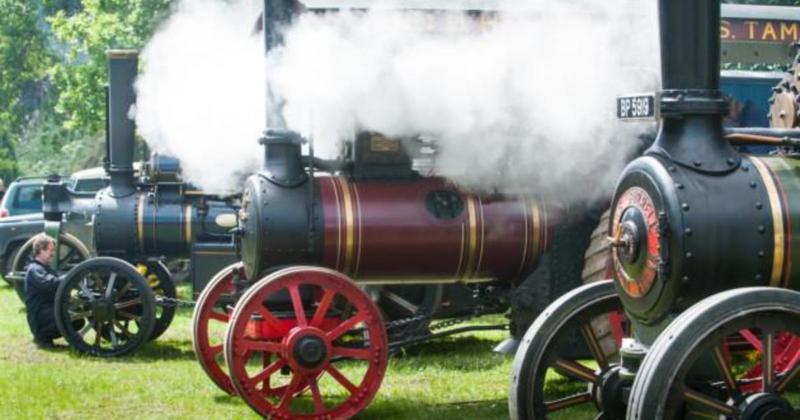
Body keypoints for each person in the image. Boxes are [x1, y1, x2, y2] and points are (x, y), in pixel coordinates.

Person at [24, 234, 63, 348]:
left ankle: (46, 337)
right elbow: (50, 284)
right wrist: (70, 276)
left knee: (77, 319)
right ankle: (42, 338)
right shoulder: (35, 269)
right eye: (51, 250)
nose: (53, 254)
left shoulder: (45, 268)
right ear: (41, 250)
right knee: (70, 316)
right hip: (39, 317)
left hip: (45, 312)